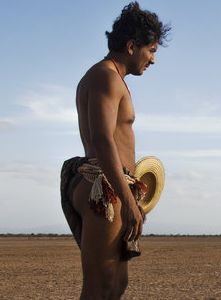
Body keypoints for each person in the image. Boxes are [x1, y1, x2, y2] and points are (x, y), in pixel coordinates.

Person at [60, 2, 170, 298]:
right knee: (100, 286)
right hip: (105, 190)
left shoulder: (111, 78)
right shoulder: (106, 77)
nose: (153, 60)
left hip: (115, 187)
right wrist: (127, 200)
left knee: (116, 284)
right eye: (152, 50)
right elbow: (103, 139)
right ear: (132, 46)